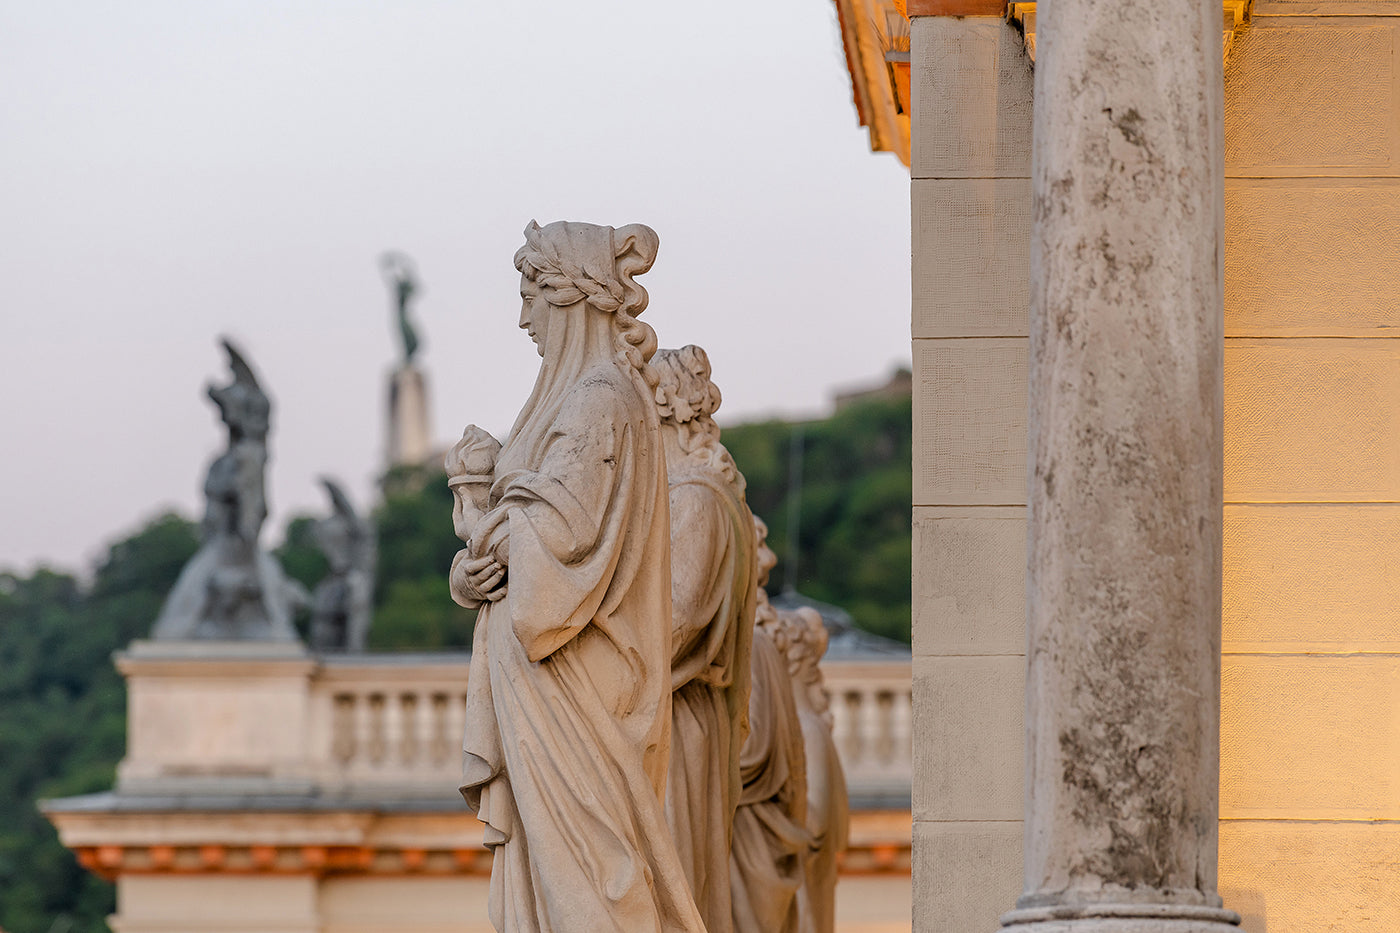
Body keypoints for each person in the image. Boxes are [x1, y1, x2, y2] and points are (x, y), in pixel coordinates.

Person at [447, 220, 705, 933]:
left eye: (532, 294)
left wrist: (489, 518)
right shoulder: (577, 400)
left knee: (594, 877)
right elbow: (523, 536)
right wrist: (477, 546)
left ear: (571, 297)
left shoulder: (599, 399)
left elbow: (559, 541)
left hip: (573, 680)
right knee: (565, 873)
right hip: (548, 680)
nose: (523, 316)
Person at [654, 345, 757, 933]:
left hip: (675, 722)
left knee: (667, 902)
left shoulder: (693, 499)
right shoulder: (696, 495)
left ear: (660, 405)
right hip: (678, 718)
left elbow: (675, 623)